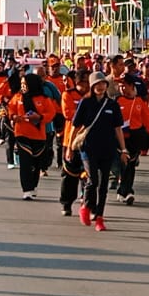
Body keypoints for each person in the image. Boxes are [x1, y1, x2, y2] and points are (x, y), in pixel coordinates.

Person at [69, 72, 128, 230]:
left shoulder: (112, 105)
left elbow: (118, 128)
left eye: (103, 84)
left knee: (103, 185)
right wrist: (69, 147)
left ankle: (100, 217)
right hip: (88, 148)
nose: (100, 87)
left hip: (107, 148)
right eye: (97, 84)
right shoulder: (85, 103)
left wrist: (123, 149)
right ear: (92, 86)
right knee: (92, 180)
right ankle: (86, 207)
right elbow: (75, 127)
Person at [10, 73, 58, 201]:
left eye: (25, 84)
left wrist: (40, 117)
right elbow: (11, 109)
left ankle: (34, 186)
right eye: (22, 84)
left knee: (36, 163)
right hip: (22, 133)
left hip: (38, 135)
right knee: (25, 163)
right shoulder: (18, 96)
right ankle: (26, 189)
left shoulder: (44, 98)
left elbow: (51, 113)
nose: (23, 86)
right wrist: (14, 117)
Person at [115, 74, 149, 205]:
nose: (121, 88)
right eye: (119, 85)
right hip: (119, 138)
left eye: (124, 85)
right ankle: (123, 189)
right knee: (122, 164)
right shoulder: (116, 101)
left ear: (131, 86)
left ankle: (127, 191)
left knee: (130, 164)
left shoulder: (139, 102)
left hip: (134, 137)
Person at [59, 69, 90, 216]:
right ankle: (66, 203)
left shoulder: (94, 97)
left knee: (89, 174)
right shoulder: (68, 94)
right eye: (85, 81)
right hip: (71, 140)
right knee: (69, 175)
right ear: (78, 82)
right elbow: (68, 114)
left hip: (89, 140)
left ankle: (87, 203)